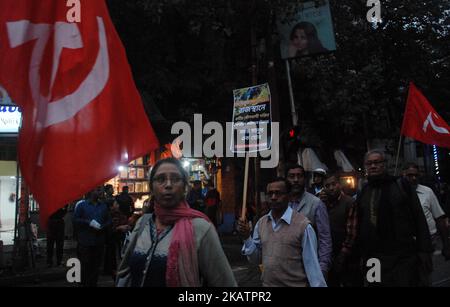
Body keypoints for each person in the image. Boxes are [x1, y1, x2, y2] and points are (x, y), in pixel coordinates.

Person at [116, 158, 236, 287]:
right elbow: (125, 271)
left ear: (185, 187)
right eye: (161, 179)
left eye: (175, 179)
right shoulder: (143, 223)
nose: (168, 184)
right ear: (151, 187)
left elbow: (224, 282)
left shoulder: (201, 228)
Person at [356, 150, 433, 286]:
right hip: (373, 258)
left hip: (402, 257)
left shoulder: (401, 185)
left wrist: (424, 251)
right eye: (369, 163)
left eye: (377, 162)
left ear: (384, 164)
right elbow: (361, 224)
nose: (373, 166)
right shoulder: (364, 191)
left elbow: (419, 218)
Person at [238, 177, 326, 287]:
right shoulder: (262, 223)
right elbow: (256, 259)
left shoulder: (303, 226)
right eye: (270, 194)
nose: (273, 197)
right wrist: (247, 238)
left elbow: (313, 268)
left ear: (289, 196)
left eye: (278, 193)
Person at [286, 164, 333, 278]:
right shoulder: (281, 203)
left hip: (309, 268)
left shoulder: (316, 204)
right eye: (292, 176)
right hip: (285, 268)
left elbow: (324, 238)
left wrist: (322, 268)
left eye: (299, 176)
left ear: (305, 179)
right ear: (286, 179)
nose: (296, 180)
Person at [402, 162, 450, 260]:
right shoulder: (397, 192)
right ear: (403, 175)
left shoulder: (427, 192)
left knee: (425, 271)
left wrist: (446, 245)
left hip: (428, 240)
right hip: (406, 243)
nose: (414, 178)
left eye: (416, 175)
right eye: (410, 175)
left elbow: (439, 218)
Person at [319, 174, 359, 287]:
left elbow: (352, 234)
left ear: (339, 185)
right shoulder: (321, 203)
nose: (331, 188)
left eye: (334, 184)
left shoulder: (349, 202)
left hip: (346, 256)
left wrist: (342, 256)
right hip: (327, 255)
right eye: (327, 185)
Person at [73, 186, 111, 287]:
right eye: (98, 190)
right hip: (85, 241)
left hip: (99, 241)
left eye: (101, 190)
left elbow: (109, 220)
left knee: (96, 266)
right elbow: (75, 220)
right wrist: (88, 222)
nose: (101, 192)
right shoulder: (82, 205)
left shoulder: (103, 206)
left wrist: (103, 226)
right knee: (85, 266)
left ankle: (93, 284)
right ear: (91, 191)